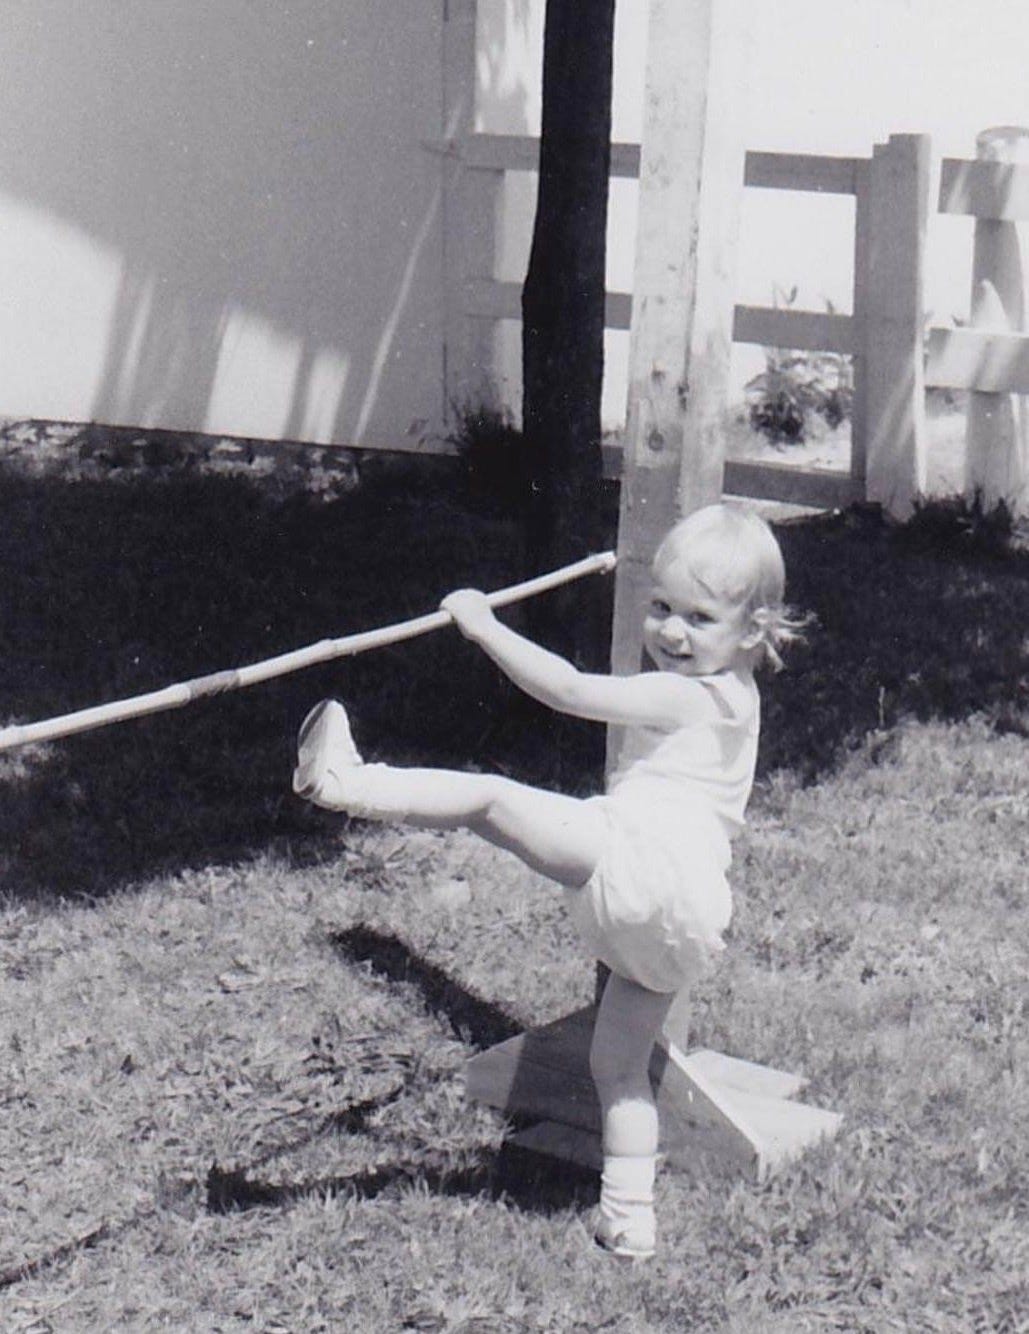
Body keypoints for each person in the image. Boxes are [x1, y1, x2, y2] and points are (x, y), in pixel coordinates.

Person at [292, 502, 803, 1260]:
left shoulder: (689, 697)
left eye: (699, 618)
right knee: (618, 1070)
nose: (671, 633)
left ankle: (346, 784)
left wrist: (483, 626)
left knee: (490, 801)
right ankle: (629, 1217)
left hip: (640, 861)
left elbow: (567, 690)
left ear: (752, 632)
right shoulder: (739, 697)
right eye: (661, 607)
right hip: (686, 919)